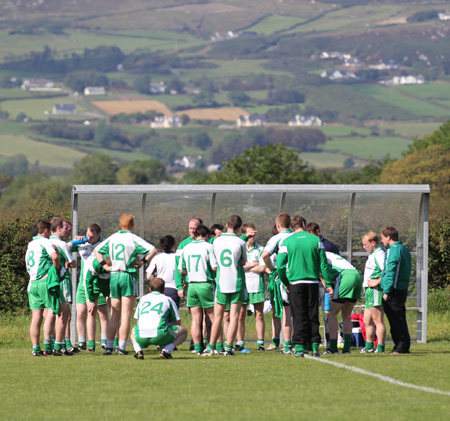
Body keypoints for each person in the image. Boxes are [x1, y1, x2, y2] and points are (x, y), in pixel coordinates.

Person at [95, 214, 157, 355]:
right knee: (126, 315)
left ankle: (109, 347)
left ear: (119, 224)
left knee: (114, 315)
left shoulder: (113, 238)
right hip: (127, 275)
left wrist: (105, 266)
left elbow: (97, 250)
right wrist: (142, 262)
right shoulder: (132, 238)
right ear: (132, 225)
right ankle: (121, 348)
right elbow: (153, 250)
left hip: (114, 276)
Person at [277, 219, 332, 358]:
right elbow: (323, 265)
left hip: (295, 283)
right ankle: (314, 347)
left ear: (292, 226)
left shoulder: (287, 242)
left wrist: (286, 282)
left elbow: (280, 266)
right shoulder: (316, 240)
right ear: (303, 225)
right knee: (312, 314)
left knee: (298, 315)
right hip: (313, 282)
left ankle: (300, 348)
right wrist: (328, 284)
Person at [204, 215, 247, 356]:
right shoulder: (241, 242)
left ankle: (211, 346)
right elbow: (243, 262)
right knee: (234, 316)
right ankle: (228, 347)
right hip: (237, 282)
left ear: (227, 224)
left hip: (222, 282)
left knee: (218, 316)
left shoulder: (215, 242)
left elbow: (214, 267)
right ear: (240, 228)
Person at [25, 220, 67, 356]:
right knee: (51, 312)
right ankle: (49, 346)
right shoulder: (45, 241)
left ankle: (36, 348)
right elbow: (54, 256)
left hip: (32, 283)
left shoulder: (31, 244)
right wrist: (57, 269)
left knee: (36, 318)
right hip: (45, 282)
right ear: (46, 231)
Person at [71, 223, 110, 352]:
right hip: (84, 282)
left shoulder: (105, 244)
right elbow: (65, 249)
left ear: (98, 235)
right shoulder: (82, 242)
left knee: (101, 313)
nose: (89, 238)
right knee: (81, 311)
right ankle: (82, 342)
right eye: (87, 235)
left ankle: (104, 342)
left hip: (98, 283)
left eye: (92, 237)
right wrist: (75, 241)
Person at [179, 225, 216, 354]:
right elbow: (214, 267)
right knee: (213, 317)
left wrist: (190, 272)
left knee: (195, 319)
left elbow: (181, 270)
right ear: (206, 236)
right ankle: (217, 347)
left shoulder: (186, 248)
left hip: (192, 285)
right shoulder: (208, 247)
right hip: (205, 284)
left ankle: (198, 348)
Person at [131, 278, 188, 360]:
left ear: (150, 289)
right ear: (163, 290)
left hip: (141, 337)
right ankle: (167, 350)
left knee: (133, 330)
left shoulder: (143, 299)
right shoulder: (168, 299)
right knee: (184, 331)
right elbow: (177, 322)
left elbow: (138, 321)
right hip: (160, 336)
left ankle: (138, 350)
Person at [262, 213, 293, 354]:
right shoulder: (297, 236)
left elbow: (264, 255)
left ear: (278, 225)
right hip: (300, 277)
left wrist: (271, 269)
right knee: (297, 311)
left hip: (283, 277)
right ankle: (302, 342)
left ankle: (286, 344)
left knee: (283, 311)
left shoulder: (277, 238)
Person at [380, 226, 412, 354]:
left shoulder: (392, 250)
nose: (382, 241)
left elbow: (390, 271)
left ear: (388, 237)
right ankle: (404, 345)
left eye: (382, 238)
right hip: (402, 288)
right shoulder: (404, 249)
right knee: (400, 317)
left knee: (395, 319)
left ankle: (400, 346)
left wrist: (386, 291)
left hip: (393, 289)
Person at [236, 223, 267, 351]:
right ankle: (240, 342)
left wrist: (248, 267)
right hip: (242, 286)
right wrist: (252, 264)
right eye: (250, 233)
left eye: (254, 233)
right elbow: (238, 266)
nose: (253, 235)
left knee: (259, 314)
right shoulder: (239, 248)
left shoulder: (260, 249)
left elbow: (263, 267)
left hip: (256, 286)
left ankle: (260, 344)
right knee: (240, 315)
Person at [324, 252, 363, 355]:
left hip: (346, 276)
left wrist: (328, 287)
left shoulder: (316, 254)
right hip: (356, 274)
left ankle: (332, 348)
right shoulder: (328, 253)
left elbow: (322, 275)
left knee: (332, 313)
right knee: (346, 314)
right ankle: (346, 349)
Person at [49, 218, 77, 354]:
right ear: (58, 228)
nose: (69, 232)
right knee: (65, 313)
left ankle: (55, 343)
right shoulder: (62, 244)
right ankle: (61, 345)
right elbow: (73, 263)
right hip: (62, 280)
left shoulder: (46, 242)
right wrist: (68, 261)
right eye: (67, 229)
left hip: (49, 281)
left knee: (53, 312)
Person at [361, 232, 386, 354]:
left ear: (373, 243)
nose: (363, 247)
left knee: (378, 320)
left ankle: (380, 347)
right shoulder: (372, 254)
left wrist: (377, 282)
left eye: (365, 244)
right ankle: (369, 346)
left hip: (375, 290)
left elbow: (386, 270)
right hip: (369, 291)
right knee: (367, 320)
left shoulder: (379, 254)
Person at [146, 235, 179, 308]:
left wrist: (155, 277)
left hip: (159, 290)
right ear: (173, 246)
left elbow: (148, 276)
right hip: (173, 290)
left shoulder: (157, 258)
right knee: (173, 317)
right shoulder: (177, 257)